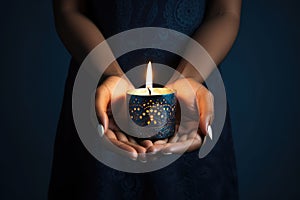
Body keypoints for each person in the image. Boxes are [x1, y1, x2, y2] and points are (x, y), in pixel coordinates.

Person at [49, 0, 241, 199]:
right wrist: (110, 74)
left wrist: (187, 77)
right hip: (102, 95)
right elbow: (69, 9)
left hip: (192, 100)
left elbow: (225, 12)